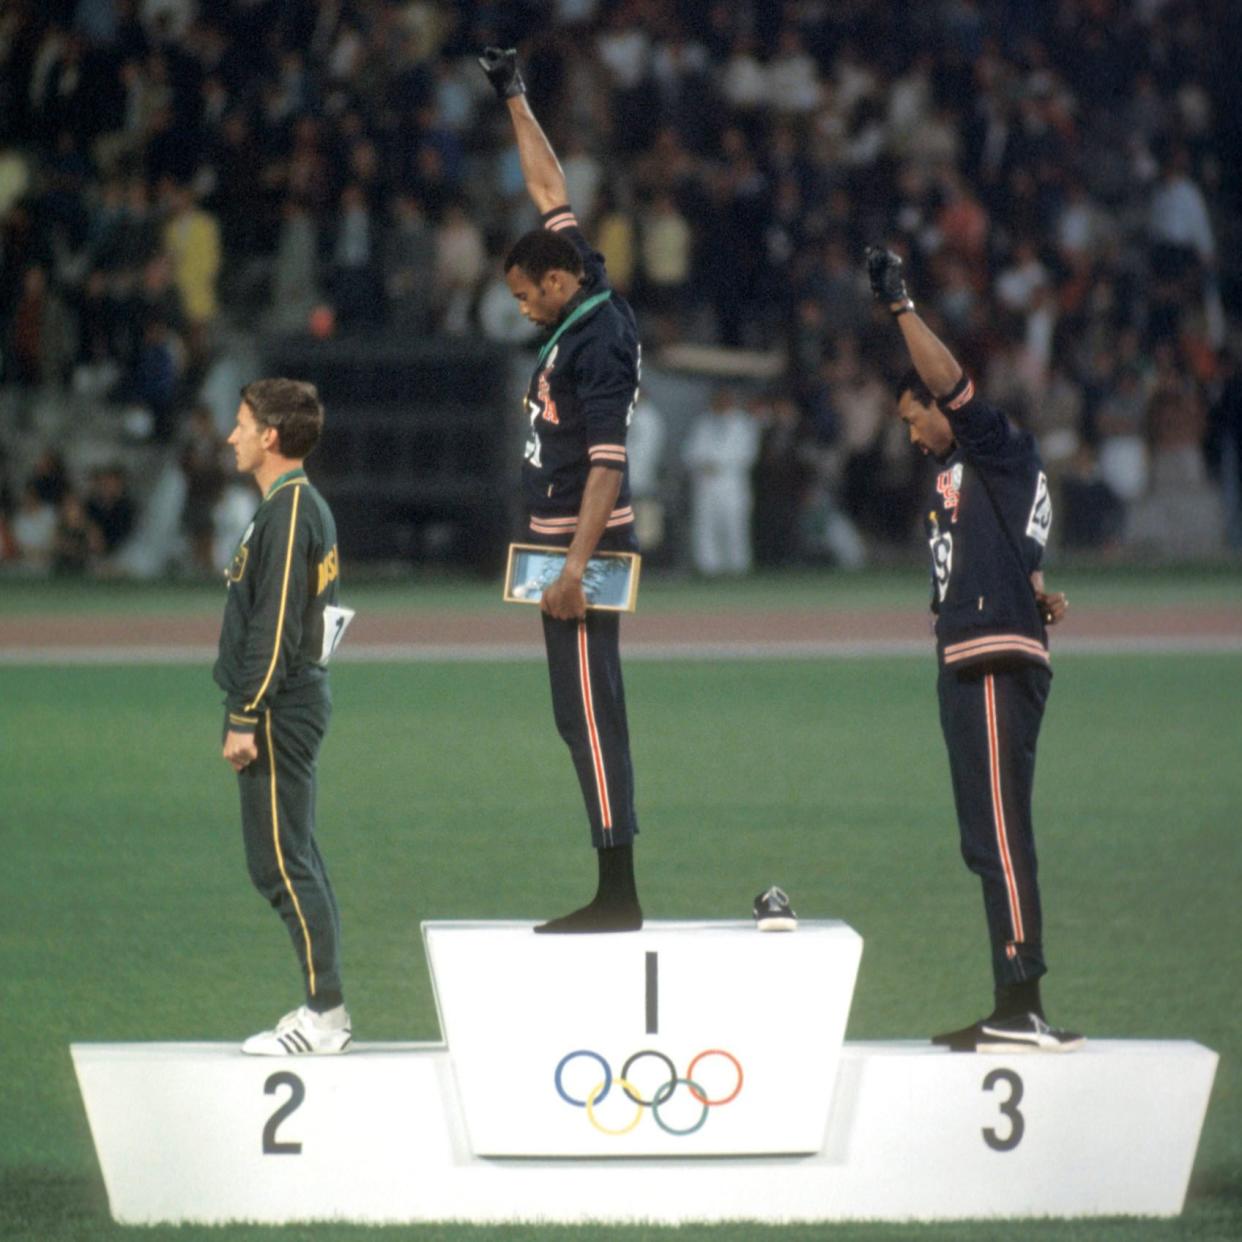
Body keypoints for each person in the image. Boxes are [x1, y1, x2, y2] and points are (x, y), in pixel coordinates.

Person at [865, 246, 1083, 1054]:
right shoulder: (974, 472)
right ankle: (1009, 999)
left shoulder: (993, 444)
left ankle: (1023, 1005)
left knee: (1000, 829)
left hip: (992, 660)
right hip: (973, 653)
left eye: (914, 415)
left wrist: (900, 308)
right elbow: (1017, 544)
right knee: (982, 837)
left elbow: (952, 382)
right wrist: (1035, 585)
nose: (915, 433)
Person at [479, 47, 642, 934]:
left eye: (522, 296)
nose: (520, 309)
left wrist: (574, 568)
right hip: (560, 540)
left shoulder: (598, 340)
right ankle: (613, 882)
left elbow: (609, 461)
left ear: (555, 282)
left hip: (585, 543)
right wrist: (515, 95)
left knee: (590, 708)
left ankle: (618, 892)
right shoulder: (578, 276)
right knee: (573, 712)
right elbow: (549, 187)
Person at [214, 378, 352, 1054]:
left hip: (277, 705)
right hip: (287, 700)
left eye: (241, 424)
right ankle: (324, 1007)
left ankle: (325, 1014)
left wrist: (245, 714)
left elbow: (272, 630)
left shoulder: (290, 508)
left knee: (281, 864)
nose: (231, 435)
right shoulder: (290, 506)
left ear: (270, 436)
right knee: (291, 857)